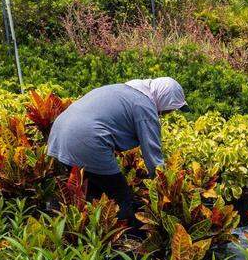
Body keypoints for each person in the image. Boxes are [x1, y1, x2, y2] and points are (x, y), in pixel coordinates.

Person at [47, 77, 188, 227]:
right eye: (170, 109)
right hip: (87, 141)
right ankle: (128, 239)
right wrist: (166, 185)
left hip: (59, 135)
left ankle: (71, 224)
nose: (168, 113)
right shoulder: (144, 106)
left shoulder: (120, 90)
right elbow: (153, 154)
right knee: (121, 198)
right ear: (164, 100)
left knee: (92, 194)